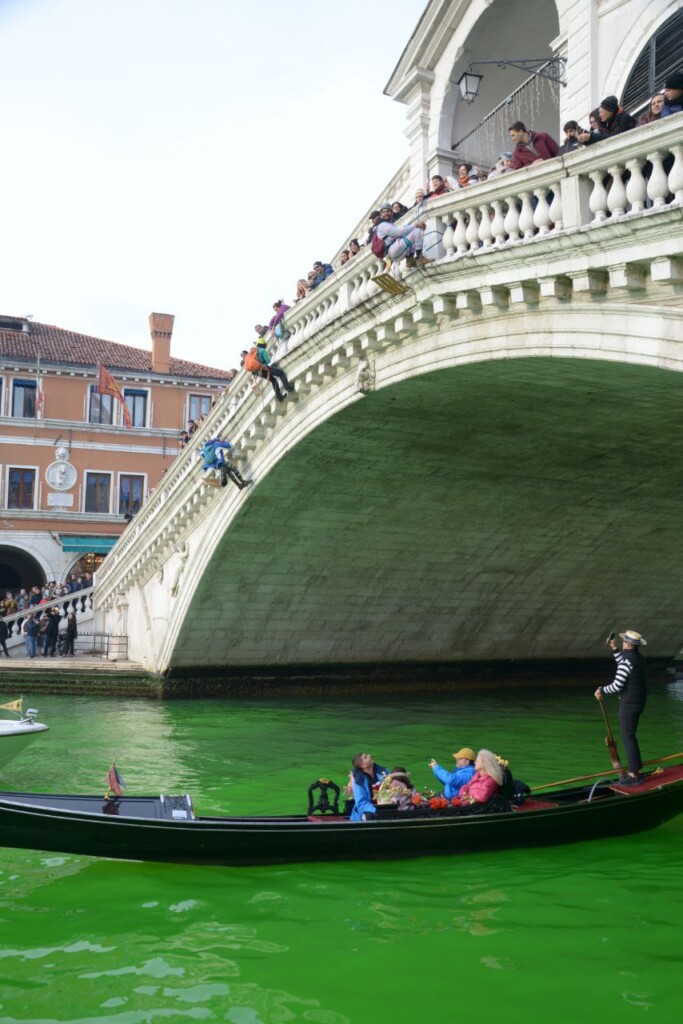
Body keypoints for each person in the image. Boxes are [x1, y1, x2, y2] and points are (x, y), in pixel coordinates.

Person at [595, 629, 648, 784]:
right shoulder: (637, 658)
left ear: (629, 644)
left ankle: (633, 775)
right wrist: (614, 648)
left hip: (629, 705)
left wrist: (601, 690)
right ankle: (637, 770)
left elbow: (617, 685)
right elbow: (623, 664)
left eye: (624, 641)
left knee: (628, 737)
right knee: (630, 736)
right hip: (638, 703)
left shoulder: (628, 661)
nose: (622, 642)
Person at [375, 203, 429, 268]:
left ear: (392, 213)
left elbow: (400, 234)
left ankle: (410, 260)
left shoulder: (390, 224)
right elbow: (400, 232)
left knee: (412, 237)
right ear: (381, 215)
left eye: (388, 211)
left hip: (395, 253)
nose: (386, 213)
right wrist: (415, 225)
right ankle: (419, 258)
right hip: (392, 251)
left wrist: (409, 227)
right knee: (416, 231)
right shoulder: (382, 225)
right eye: (384, 212)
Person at [348, 752, 388, 821]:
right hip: (367, 813)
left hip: (385, 807)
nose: (369, 755)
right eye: (366, 757)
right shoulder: (359, 781)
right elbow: (361, 804)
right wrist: (377, 810)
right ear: (363, 765)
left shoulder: (383, 771)